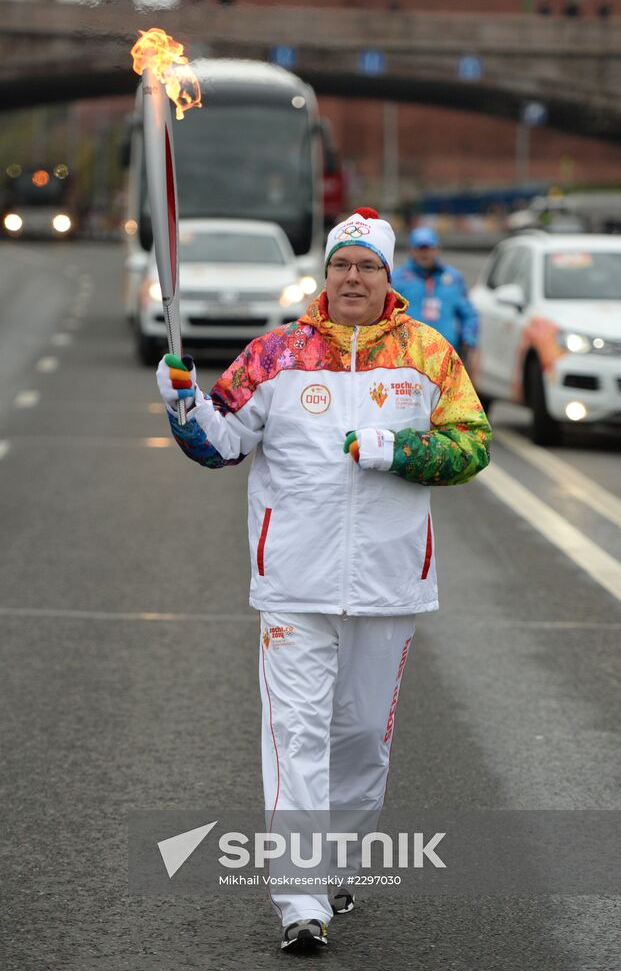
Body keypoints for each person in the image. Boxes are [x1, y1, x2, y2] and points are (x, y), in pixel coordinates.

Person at [156, 207, 491, 953]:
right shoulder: (276, 354)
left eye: (366, 266)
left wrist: (400, 448)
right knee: (296, 735)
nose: (351, 277)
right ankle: (299, 899)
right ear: (326, 273)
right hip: (294, 585)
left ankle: (339, 864)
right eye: (341, 264)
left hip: (388, 581)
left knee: (362, 738)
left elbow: (472, 445)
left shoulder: (428, 355)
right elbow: (222, 442)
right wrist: (184, 408)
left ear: (387, 278)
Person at [392, 226, 479, 366]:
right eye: (420, 249)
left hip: (446, 355)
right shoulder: (398, 279)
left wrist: (468, 338)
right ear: (412, 250)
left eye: (429, 248)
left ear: (437, 249)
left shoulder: (453, 279)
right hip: (408, 355)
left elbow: (469, 314)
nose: (425, 253)